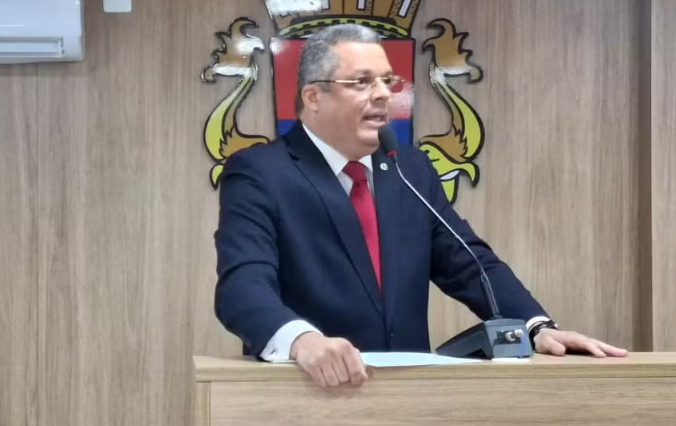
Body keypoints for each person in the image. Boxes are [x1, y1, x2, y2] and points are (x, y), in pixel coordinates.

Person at [214, 24, 627, 388]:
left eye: (387, 81)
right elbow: (242, 285)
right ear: (313, 96)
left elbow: (469, 263)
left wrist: (536, 327)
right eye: (362, 82)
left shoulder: (408, 168)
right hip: (306, 393)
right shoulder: (260, 172)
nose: (383, 94)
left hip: (410, 396)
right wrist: (301, 341)